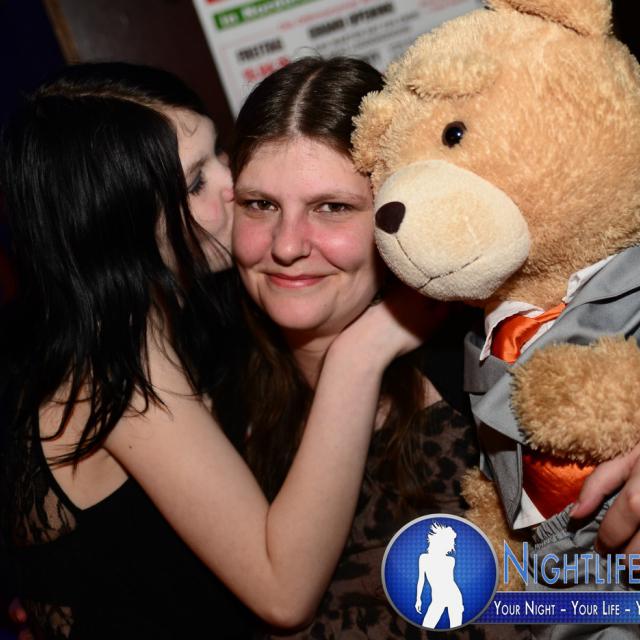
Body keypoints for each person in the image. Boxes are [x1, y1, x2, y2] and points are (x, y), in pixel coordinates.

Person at [0, 61, 435, 639]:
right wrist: (361, 353)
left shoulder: (188, 317)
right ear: (122, 229)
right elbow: (283, 592)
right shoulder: (116, 364)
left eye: (218, 152)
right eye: (195, 182)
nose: (234, 183)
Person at [225, 56, 484, 639]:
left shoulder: (482, 371)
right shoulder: (213, 395)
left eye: (333, 208)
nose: (287, 245)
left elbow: (596, 597)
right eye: (260, 204)